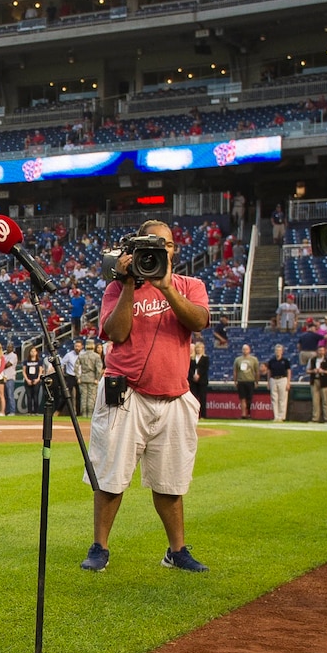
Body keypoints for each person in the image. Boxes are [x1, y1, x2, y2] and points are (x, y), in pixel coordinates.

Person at [80, 218, 210, 574]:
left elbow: (198, 321)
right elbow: (116, 333)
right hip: (126, 393)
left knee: (171, 481)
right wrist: (126, 284)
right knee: (110, 477)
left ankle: (177, 550)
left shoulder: (189, 284)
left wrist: (166, 288)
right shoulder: (116, 288)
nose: (157, 250)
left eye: (164, 245)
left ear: (174, 250)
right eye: (149, 244)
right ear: (135, 249)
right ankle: (99, 547)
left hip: (174, 395)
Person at [264, 344, 292, 422]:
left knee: (282, 398)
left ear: (282, 351)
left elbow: (289, 371)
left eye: (279, 350)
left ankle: (281, 416)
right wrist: (268, 382)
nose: (278, 352)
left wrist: (288, 382)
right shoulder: (271, 361)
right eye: (276, 350)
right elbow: (269, 371)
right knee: (274, 398)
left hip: (282, 379)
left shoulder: (285, 361)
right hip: (273, 379)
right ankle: (275, 416)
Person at [309, 345, 327, 422]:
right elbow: (307, 370)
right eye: (319, 350)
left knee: (325, 401)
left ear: (325, 351)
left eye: (322, 350)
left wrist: (323, 371)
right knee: (315, 401)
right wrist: (313, 371)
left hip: (325, 382)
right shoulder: (312, 360)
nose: (321, 352)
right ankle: (315, 418)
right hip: (315, 380)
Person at [232, 343, 260, 417]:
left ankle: (249, 413)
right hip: (241, 381)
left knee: (249, 399)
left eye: (246, 349)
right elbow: (235, 371)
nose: (245, 351)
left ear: (249, 350)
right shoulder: (238, 360)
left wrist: (257, 381)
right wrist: (235, 381)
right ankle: (243, 414)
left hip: (250, 381)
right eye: (243, 349)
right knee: (242, 398)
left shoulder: (254, 359)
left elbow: (257, 371)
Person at [187, 338, 209, 404]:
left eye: (199, 348)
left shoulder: (205, 358)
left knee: (202, 398)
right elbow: (190, 368)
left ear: (202, 349)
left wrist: (198, 375)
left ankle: (203, 414)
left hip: (202, 381)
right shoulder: (191, 358)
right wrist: (193, 375)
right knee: (193, 397)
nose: (198, 349)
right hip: (192, 381)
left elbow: (205, 368)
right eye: (197, 348)